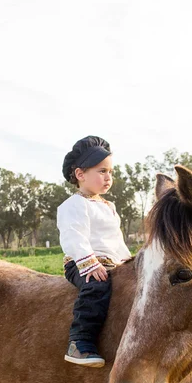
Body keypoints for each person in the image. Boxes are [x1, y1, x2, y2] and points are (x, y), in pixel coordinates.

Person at [57, 136, 132, 367]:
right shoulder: (73, 205)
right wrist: (89, 263)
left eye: (110, 171)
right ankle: (80, 342)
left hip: (111, 262)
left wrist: (128, 261)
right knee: (96, 287)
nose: (108, 177)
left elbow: (116, 240)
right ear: (80, 174)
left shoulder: (109, 207)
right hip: (81, 263)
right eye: (102, 171)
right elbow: (74, 237)